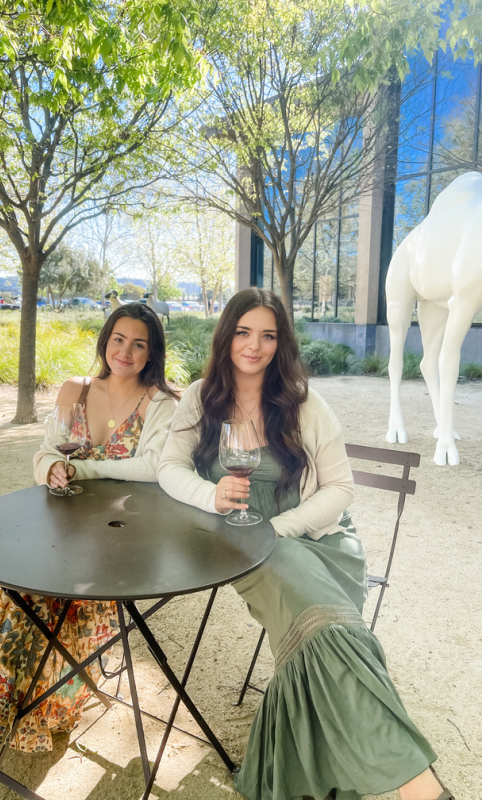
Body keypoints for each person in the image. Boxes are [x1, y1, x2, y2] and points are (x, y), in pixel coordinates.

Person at [157, 288, 452, 800]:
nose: (255, 346)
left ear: (281, 343)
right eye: (244, 332)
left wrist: (277, 529)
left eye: (269, 335)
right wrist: (211, 494)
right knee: (328, 627)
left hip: (315, 541)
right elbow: (168, 468)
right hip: (241, 546)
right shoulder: (200, 397)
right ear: (227, 335)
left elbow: (340, 490)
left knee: (323, 627)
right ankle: (419, 786)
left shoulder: (302, 402)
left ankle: (414, 787)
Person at [0, 303, 179, 767]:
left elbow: (151, 469)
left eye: (139, 343)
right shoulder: (76, 389)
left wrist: (79, 467)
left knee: (54, 598)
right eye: (118, 339)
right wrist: (52, 470)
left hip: (119, 538)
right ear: (105, 341)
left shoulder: (161, 402)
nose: (125, 351)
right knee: (10, 587)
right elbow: (45, 452)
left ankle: (27, 704)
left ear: (152, 353)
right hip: (61, 524)